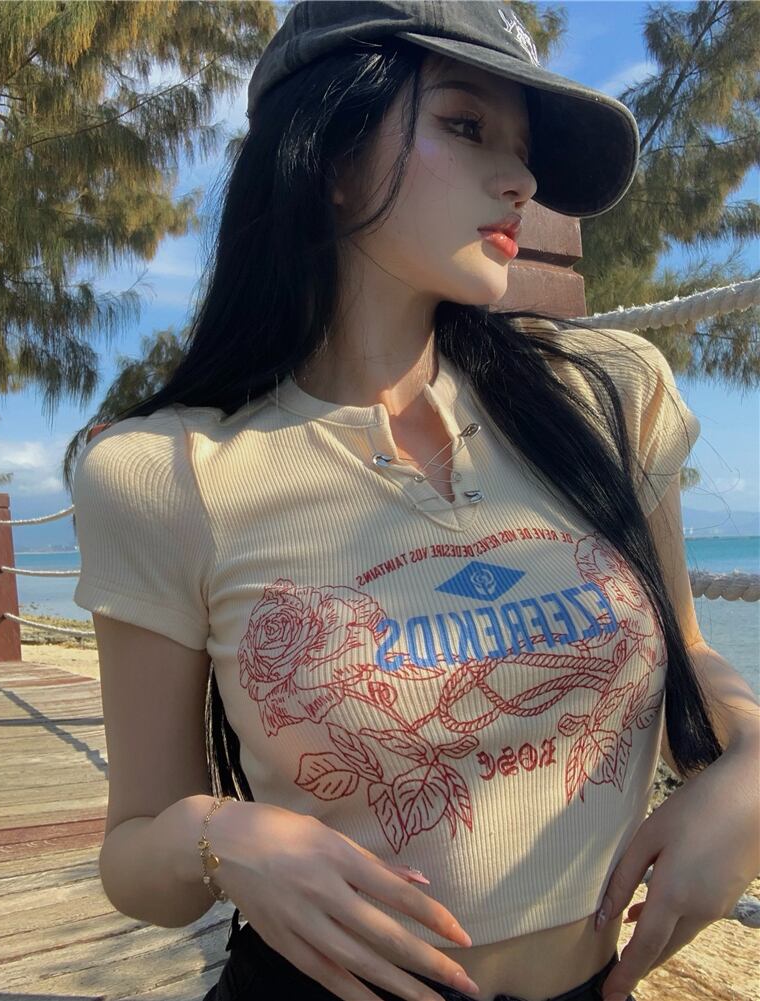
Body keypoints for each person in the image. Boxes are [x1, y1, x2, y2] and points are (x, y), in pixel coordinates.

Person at [70, 3, 760, 1001]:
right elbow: (135, 853)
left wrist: (753, 771)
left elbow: (688, 652)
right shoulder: (162, 470)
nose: (520, 181)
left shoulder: (606, 394)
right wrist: (218, 834)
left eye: (523, 150)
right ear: (328, 153)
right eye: (466, 125)